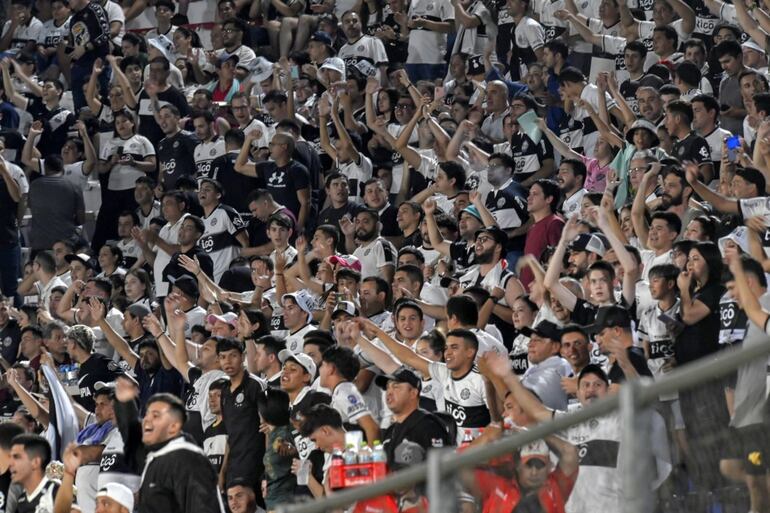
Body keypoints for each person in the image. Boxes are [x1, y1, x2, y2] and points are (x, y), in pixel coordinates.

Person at [137, 393, 223, 513]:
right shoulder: (157, 458)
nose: (146, 420)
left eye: (155, 416)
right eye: (146, 414)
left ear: (174, 426)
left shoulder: (188, 459)